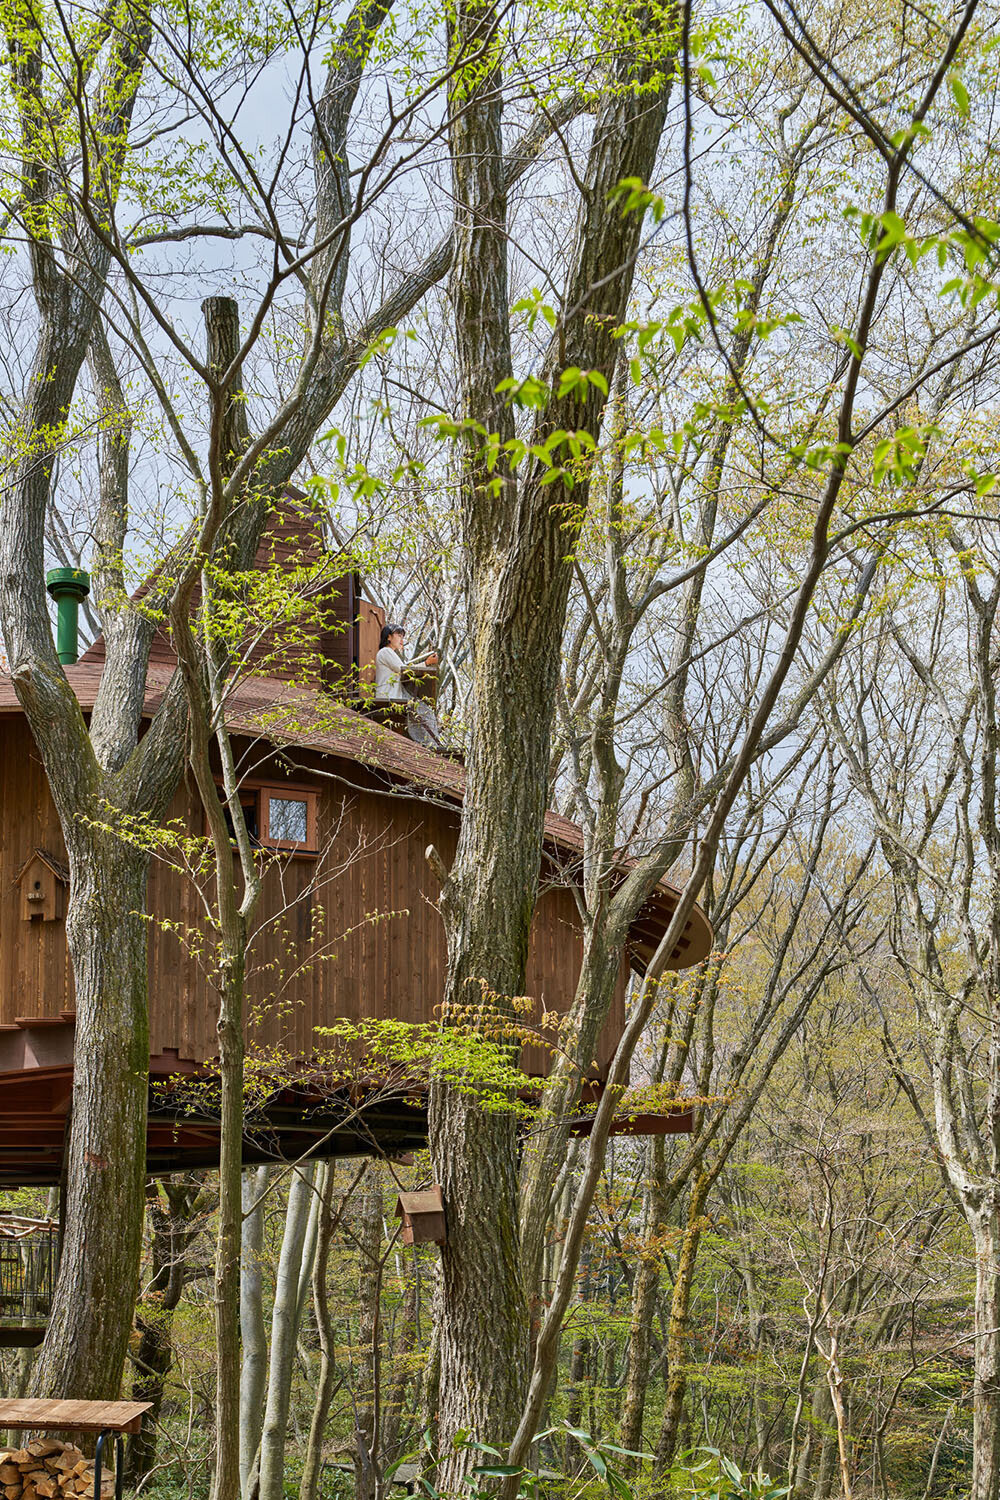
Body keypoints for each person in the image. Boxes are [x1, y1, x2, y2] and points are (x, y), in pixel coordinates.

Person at [374, 623, 448, 750]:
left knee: (424, 710)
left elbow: (404, 668)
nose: (401, 639)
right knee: (425, 711)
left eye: (402, 636)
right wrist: (426, 663)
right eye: (399, 635)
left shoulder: (389, 653)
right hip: (389, 696)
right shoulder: (385, 651)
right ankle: (428, 743)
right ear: (389, 637)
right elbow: (405, 670)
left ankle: (427, 742)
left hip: (393, 695)